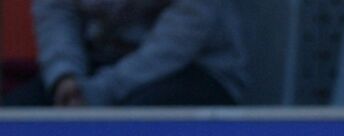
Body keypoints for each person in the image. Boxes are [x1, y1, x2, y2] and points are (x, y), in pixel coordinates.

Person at [3, 0, 246, 108]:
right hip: (95, 66)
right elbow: (57, 12)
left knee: (132, 124)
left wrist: (100, 92)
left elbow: (178, 40)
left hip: (195, 70)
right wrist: (65, 77)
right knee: (18, 112)